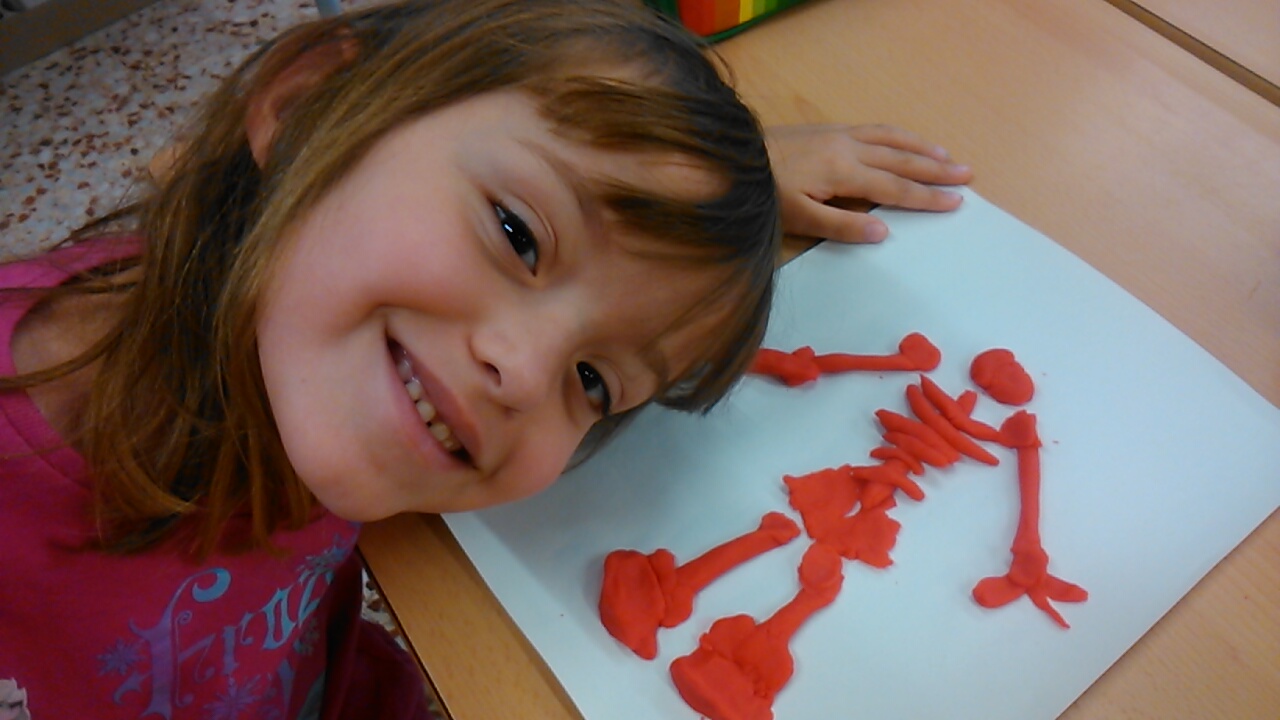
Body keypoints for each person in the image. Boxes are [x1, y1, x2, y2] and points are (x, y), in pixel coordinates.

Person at [0, 0, 971, 717]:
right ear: (307, 105)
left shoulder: (345, 355)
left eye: (592, 381)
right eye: (516, 233)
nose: (525, 370)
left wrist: (715, 201)